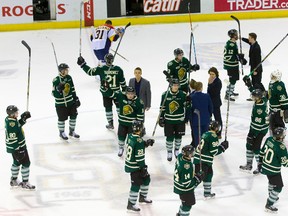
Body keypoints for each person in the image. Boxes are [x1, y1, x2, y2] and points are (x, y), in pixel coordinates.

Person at [77, 54, 127, 130]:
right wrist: (124, 93)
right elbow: (123, 83)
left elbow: (90, 72)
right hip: (116, 93)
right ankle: (121, 122)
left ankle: (111, 123)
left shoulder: (102, 68)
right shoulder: (118, 69)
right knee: (117, 107)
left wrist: (83, 64)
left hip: (106, 92)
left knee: (108, 107)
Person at [101, 81, 144, 157]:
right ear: (126, 93)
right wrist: (107, 88)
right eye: (128, 94)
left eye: (132, 94)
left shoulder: (139, 102)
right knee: (121, 136)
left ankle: (130, 149)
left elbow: (140, 116)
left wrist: (140, 126)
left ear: (134, 94)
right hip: (122, 123)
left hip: (132, 124)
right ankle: (121, 148)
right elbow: (112, 94)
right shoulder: (121, 96)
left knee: (131, 138)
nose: (130, 95)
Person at [194, 121, 229, 199]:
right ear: (216, 128)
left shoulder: (206, 134)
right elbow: (214, 152)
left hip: (202, 160)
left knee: (209, 174)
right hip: (203, 160)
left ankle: (207, 193)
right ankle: (189, 190)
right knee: (199, 177)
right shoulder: (213, 136)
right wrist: (222, 147)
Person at [125, 120, 154, 212]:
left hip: (131, 164)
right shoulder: (139, 141)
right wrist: (143, 167)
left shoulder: (130, 136)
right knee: (136, 185)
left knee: (146, 179)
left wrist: (146, 143)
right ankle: (131, 204)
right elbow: (139, 157)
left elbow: (135, 146)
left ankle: (142, 197)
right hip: (135, 167)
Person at [239, 87, 269, 174]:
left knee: (256, 148)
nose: (253, 98)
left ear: (258, 97)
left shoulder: (260, 109)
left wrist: (253, 135)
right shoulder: (262, 99)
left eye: (254, 96)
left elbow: (259, 124)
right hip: (254, 127)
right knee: (249, 144)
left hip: (260, 130)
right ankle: (249, 164)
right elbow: (265, 95)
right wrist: (249, 85)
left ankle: (260, 167)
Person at [5, 105, 35, 190]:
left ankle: (13, 180)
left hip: (14, 148)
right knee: (26, 163)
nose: (17, 113)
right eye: (16, 112)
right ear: (12, 114)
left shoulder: (10, 120)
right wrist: (19, 149)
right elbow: (12, 138)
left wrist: (23, 119)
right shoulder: (12, 124)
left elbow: (17, 126)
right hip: (18, 147)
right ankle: (25, 182)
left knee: (16, 162)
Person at [259, 127, 288, 213]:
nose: (284, 135)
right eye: (283, 134)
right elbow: (285, 164)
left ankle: (271, 195)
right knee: (279, 186)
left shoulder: (269, 139)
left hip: (265, 167)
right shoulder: (281, 147)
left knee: (272, 182)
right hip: (273, 170)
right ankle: (269, 204)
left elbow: (261, 152)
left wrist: (260, 163)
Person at [159, 78, 188, 161]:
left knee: (179, 136)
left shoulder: (183, 94)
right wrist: (161, 117)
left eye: (177, 85)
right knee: (169, 137)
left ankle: (176, 150)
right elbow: (162, 108)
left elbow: (187, 106)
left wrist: (188, 102)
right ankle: (169, 151)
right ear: (171, 85)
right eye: (174, 85)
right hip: (169, 120)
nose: (175, 87)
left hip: (179, 120)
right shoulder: (165, 95)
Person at [52, 63, 81, 140]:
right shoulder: (56, 80)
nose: (67, 71)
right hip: (61, 104)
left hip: (70, 102)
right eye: (66, 70)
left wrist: (76, 98)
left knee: (74, 116)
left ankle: (72, 131)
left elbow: (72, 89)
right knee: (61, 118)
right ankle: (61, 132)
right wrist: (58, 90)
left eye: (67, 69)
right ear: (61, 71)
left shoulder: (69, 78)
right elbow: (53, 94)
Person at [174, 145, 204, 216]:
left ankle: (180, 214)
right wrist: (197, 178)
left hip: (178, 185)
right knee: (187, 205)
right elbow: (186, 183)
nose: (192, 154)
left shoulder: (180, 156)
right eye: (191, 152)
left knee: (184, 203)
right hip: (184, 189)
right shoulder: (186, 166)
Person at [223, 29, 247, 101]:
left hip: (233, 65)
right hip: (231, 65)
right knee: (232, 80)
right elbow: (231, 56)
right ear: (233, 36)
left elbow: (234, 54)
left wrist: (239, 57)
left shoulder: (232, 43)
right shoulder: (231, 45)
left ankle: (231, 92)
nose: (237, 36)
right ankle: (227, 94)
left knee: (234, 79)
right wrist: (239, 58)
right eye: (236, 35)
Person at [188, 81, 213, 147]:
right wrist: (209, 116)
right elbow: (210, 107)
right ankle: (205, 151)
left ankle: (198, 152)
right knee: (205, 137)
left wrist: (189, 119)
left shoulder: (191, 97)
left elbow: (189, 110)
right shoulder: (206, 96)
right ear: (201, 88)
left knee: (197, 138)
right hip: (205, 120)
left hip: (195, 121)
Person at [129, 67, 151, 135]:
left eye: (138, 73)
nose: (137, 74)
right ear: (134, 73)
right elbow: (129, 92)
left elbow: (148, 93)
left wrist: (148, 105)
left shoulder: (146, 82)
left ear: (141, 73)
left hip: (142, 103)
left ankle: (142, 129)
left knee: (141, 118)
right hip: (133, 102)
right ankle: (134, 129)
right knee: (133, 116)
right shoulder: (131, 81)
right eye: (136, 72)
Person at [242, 32, 265, 99]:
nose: (248, 38)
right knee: (254, 82)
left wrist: (256, 70)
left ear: (253, 38)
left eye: (249, 38)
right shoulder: (252, 44)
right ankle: (255, 95)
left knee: (257, 83)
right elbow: (247, 41)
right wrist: (242, 38)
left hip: (256, 68)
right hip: (253, 67)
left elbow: (258, 60)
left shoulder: (256, 48)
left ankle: (263, 93)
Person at [207, 67, 223, 138]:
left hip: (216, 103)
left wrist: (210, 84)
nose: (211, 75)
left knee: (218, 118)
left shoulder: (218, 82)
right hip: (210, 103)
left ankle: (219, 133)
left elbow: (215, 93)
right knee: (209, 118)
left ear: (216, 74)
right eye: (210, 74)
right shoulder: (210, 80)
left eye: (213, 74)